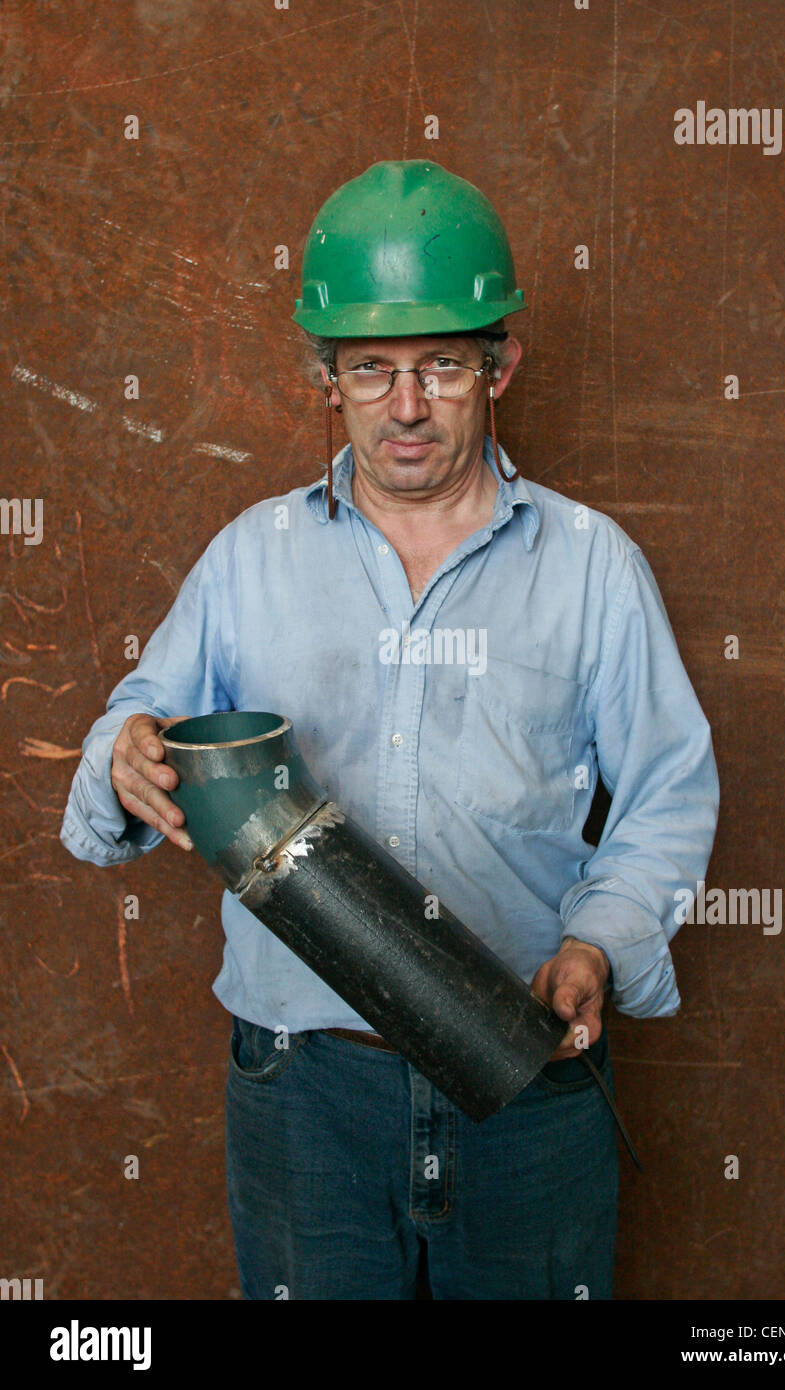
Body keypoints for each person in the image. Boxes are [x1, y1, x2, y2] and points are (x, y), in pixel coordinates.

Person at [61, 159, 719, 1301]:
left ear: (498, 368)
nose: (404, 405)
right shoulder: (247, 559)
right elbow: (135, 722)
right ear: (328, 379)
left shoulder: (591, 568)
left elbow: (667, 791)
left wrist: (596, 944)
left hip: (526, 1075)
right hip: (306, 1092)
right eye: (370, 369)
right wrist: (122, 753)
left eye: (440, 368)